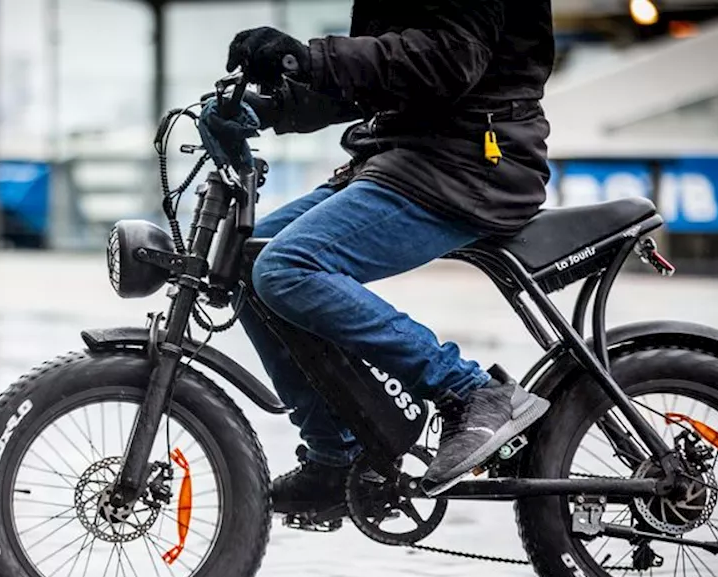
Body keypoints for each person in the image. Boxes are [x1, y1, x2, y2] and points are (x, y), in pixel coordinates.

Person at [224, 2, 556, 514]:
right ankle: (337, 455)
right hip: (405, 158)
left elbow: (450, 59)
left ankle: (471, 391)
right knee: (249, 263)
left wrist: (306, 58)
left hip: (471, 165)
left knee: (287, 266)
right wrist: (271, 106)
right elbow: (378, 84)